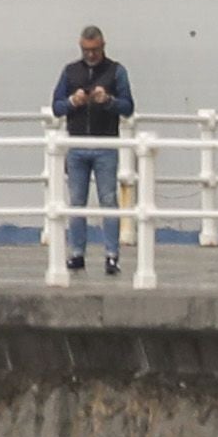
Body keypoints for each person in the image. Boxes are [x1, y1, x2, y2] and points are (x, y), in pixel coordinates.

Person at [51, 25, 135, 274]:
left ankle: (112, 255)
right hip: (76, 144)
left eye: (95, 50)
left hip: (105, 145)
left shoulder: (116, 71)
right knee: (76, 201)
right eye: (86, 50)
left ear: (103, 46)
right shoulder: (70, 71)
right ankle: (77, 253)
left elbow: (128, 106)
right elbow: (56, 106)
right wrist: (72, 102)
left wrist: (107, 101)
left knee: (108, 200)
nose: (90, 55)